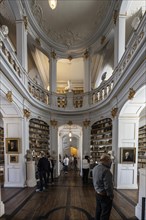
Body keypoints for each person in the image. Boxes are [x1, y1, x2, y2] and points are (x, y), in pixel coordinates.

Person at [92, 153, 114, 220]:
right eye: (110, 161)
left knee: (98, 210)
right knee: (105, 213)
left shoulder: (95, 168)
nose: (111, 162)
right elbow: (108, 186)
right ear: (106, 160)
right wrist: (111, 195)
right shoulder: (106, 171)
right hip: (104, 195)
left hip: (97, 193)